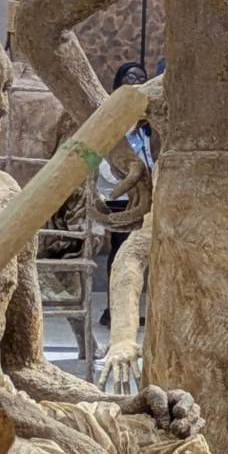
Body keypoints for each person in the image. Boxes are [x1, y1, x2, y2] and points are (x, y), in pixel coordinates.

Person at [94, 60, 156, 329]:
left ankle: (130, 309)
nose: (135, 82)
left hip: (145, 194)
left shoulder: (147, 123)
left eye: (141, 78)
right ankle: (113, 310)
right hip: (118, 194)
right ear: (118, 82)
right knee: (120, 249)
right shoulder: (110, 119)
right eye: (130, 77)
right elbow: (94, 156)